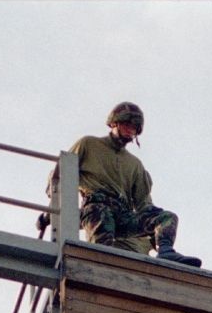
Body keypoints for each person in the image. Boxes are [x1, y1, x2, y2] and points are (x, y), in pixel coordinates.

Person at [51, 102, 201, 267]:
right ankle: (100, 260)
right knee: (102, 239)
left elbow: (143, 203)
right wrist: (53, 210)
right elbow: (61, 175)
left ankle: (165, 252)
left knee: (167, 217)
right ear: (114, 123)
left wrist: (151, 228)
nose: (130, 131)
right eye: (127, 125)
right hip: (96, 206)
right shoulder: (88, 144)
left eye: (134, 128)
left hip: (122, 214)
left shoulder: (135, 165)